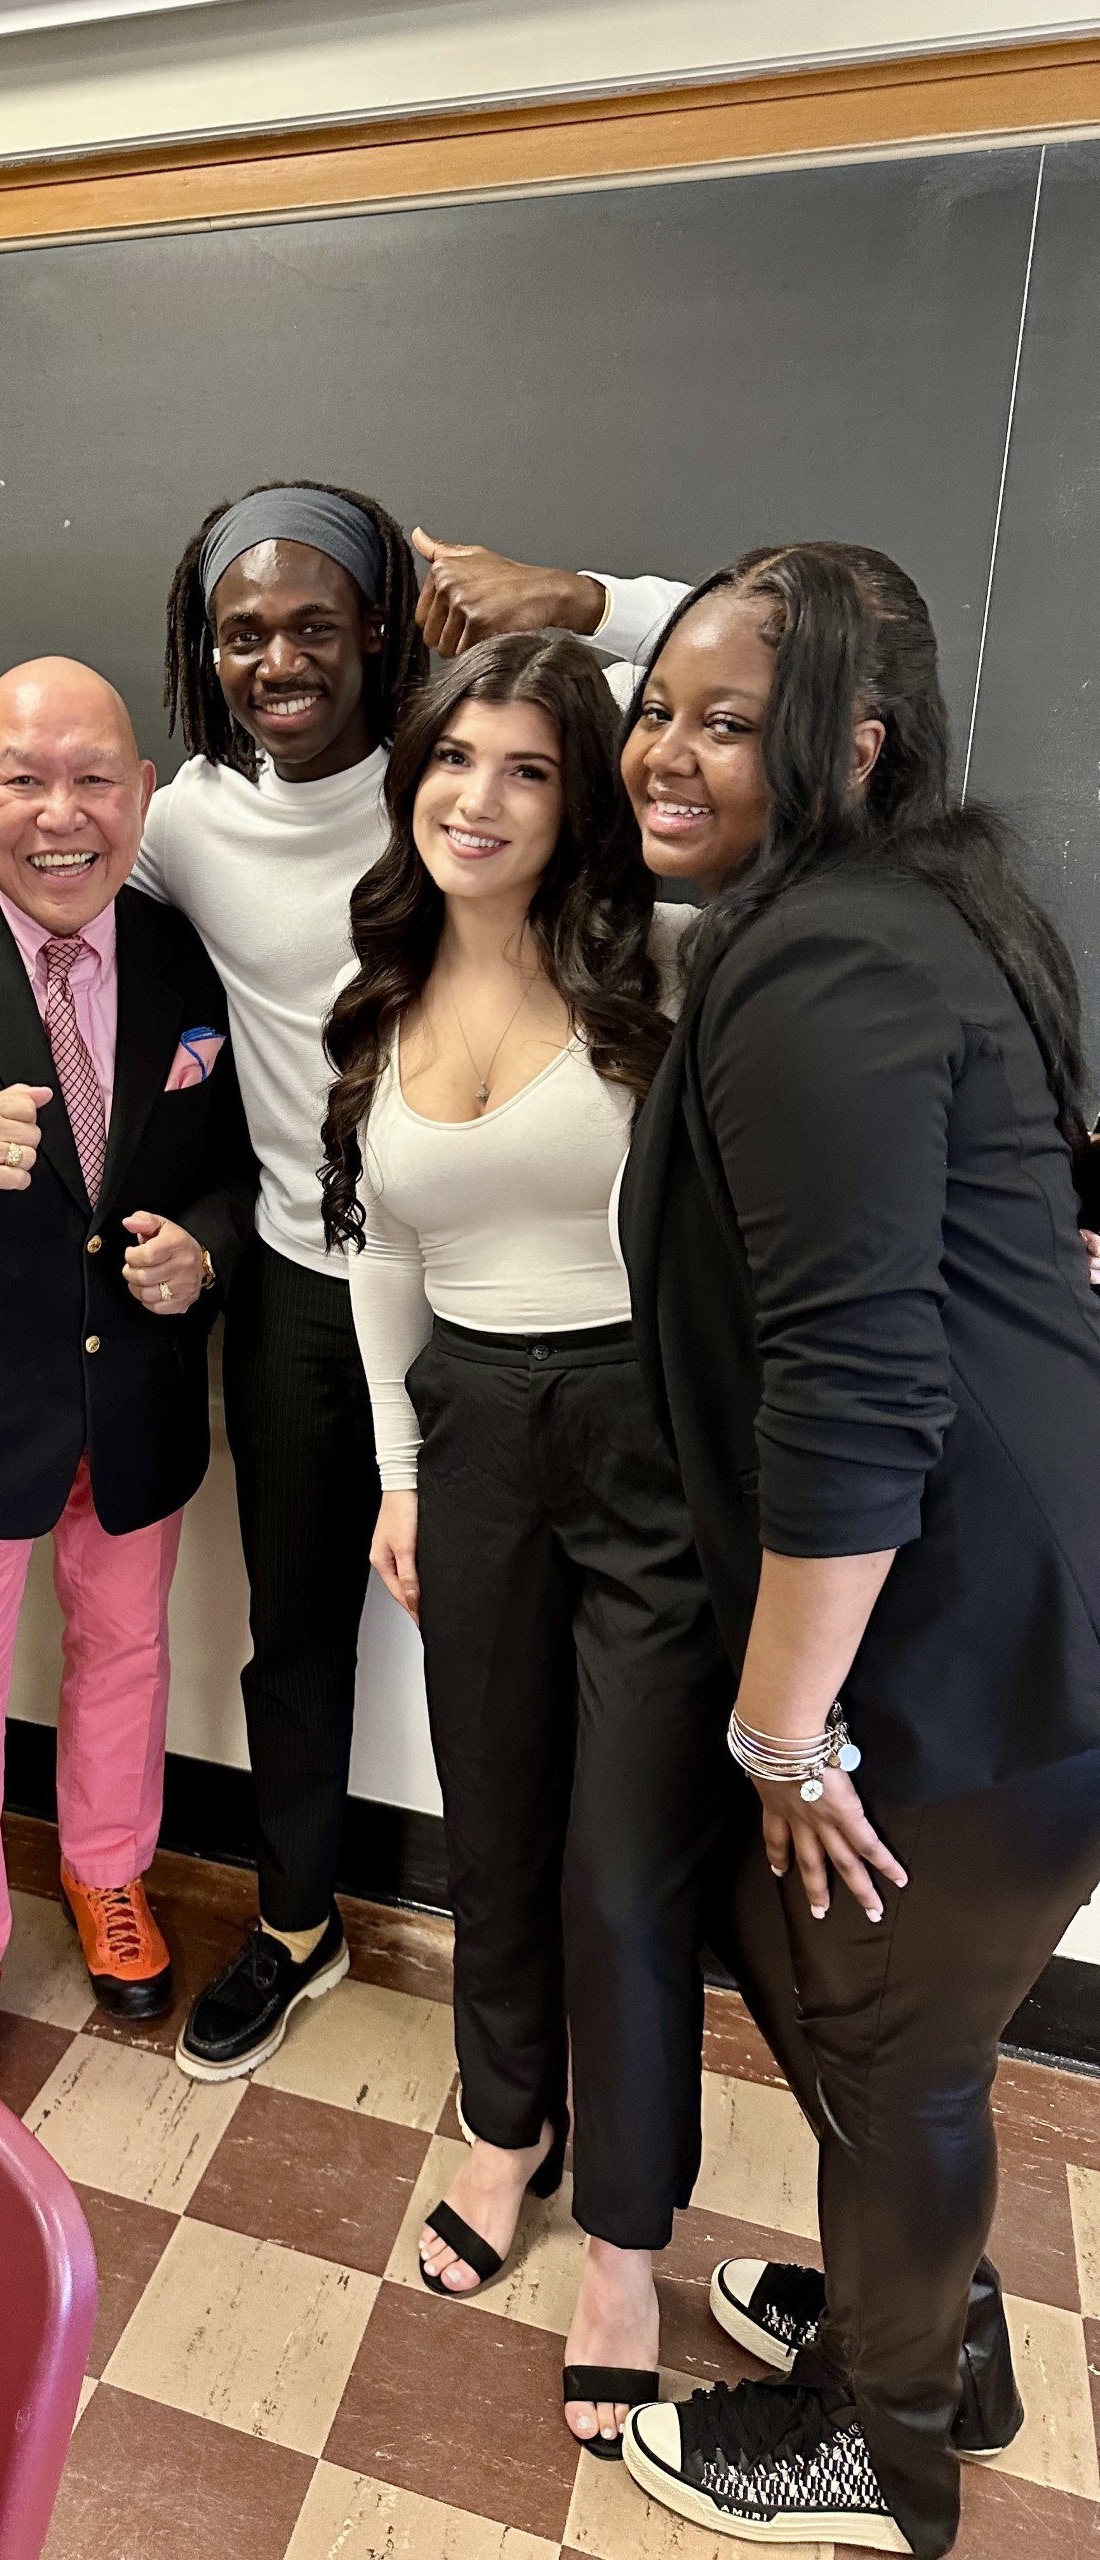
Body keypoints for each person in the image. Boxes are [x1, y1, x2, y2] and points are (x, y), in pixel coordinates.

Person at [613, 543, 1100, 2556]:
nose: (664, 752)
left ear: (856, 745)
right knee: (857, 2010)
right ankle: (940, 2341)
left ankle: (882, 2452)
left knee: (899, 2060)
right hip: (995, 1623)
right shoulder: (915, 911)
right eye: (657, 708)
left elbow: (857, 1379)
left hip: (958, 1651)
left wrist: (785, 1729)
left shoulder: (822, 963)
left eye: (727, 722)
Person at [140, 488, 687, 2080]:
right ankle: (296, 1922)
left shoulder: (464, 772)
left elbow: (748, 705)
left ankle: (565, 1993)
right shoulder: (184, 825)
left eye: (315, 624)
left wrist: (586, 598)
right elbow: (40, 869)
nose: (278, 662)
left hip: (536, 1304)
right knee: (297, 1632)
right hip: (314, 1284)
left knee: (573, 1669)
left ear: (381, 628)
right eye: (242, 633)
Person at [320, 630, 734, 2458]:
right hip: (473, 1438)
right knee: (490, 1816)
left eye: (528, 768)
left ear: (583, 802)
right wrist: (403, 1472)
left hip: (651, 1435)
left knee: (624, 1861)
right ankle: (508, 2128)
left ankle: (628, 2244)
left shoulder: (670, 964)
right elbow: (379, 1257)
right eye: (452, 760)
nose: (477, 800)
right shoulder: (379, 990)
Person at [0, 658, 255, 2078]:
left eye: (94, 780)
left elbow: (235, 1168)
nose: (60, 815)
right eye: (23, 779)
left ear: (144, 793)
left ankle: (107, 1867)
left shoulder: (192, 957)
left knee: (125, 1655)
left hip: (135, 1401)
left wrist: (206, 1251)